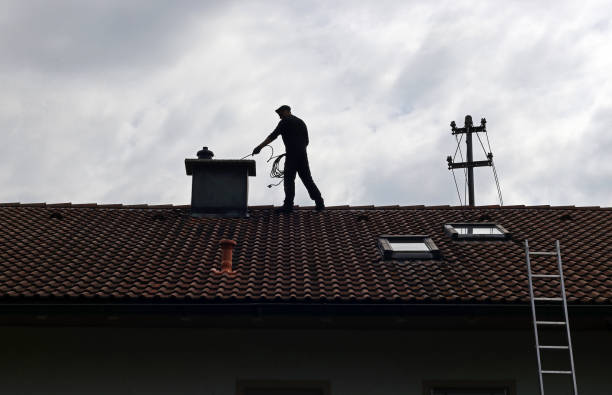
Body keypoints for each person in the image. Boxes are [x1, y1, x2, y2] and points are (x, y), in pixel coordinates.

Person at [253, 105, 325, 212]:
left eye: (280, 114)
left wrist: (260, 147)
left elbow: (273, 135)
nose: (280, 117)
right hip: (302, 155)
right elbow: (307, 141)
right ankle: (320, 203)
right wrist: (299, 149)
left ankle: (288, 205)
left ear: (287, 111)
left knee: (288, 179)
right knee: (307, 179)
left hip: (292, 155)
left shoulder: (285, 122)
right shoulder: (301, 122)